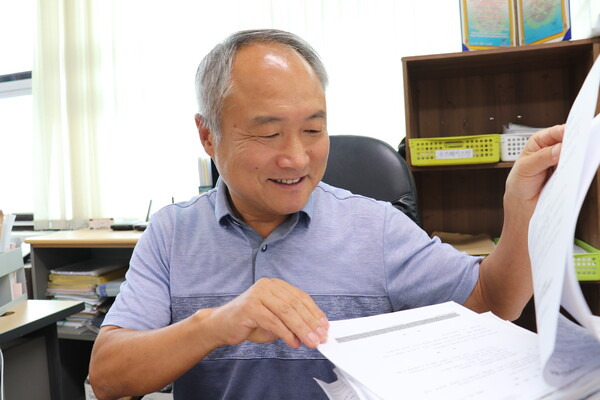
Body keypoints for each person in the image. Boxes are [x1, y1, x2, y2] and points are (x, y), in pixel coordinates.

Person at [89, 29, 564, 400]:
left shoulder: (374, 227)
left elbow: (493, 300)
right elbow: (108, 376)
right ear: (208, 136)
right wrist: (216, 325)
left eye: (313, 129)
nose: (296, 158)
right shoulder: (172, 232)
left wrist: (521, 210)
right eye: (269, 134)